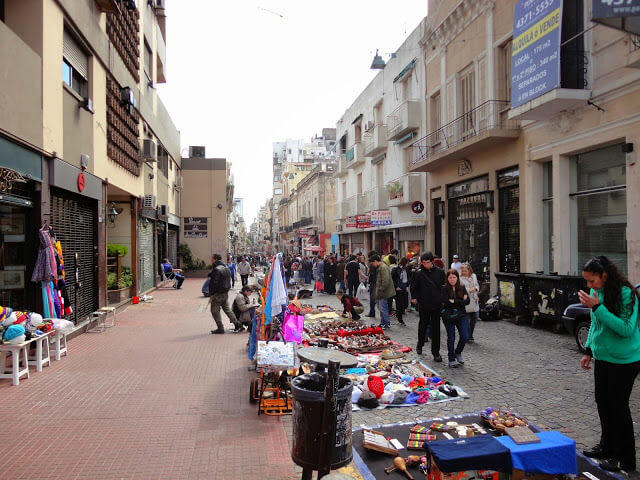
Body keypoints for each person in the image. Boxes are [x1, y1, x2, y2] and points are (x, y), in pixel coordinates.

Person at [579, 256, 640, 472]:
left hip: (624, 361)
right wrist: (589, 350)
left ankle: (627, 459)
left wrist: (598, 307)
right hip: (603, 358)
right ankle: (607, 447)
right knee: (603, 404)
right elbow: (596, 325)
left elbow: (625, 329)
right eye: (586, 281)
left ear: (605, 275)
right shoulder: (598, 292)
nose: (589, 286)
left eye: (592, 280)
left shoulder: (626, 294)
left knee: (618, 408)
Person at [411, 252, 445, 361]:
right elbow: (414, 286)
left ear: (432, 262)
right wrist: (414, 298)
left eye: (427, 263)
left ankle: (436, 352)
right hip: (424, 303)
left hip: (436, 304)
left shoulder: (440, 272)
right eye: (423, 263)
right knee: (423, 325)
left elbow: (443, 287)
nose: (425, 265)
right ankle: (420, 344)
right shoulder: (418, 273)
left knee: (436, 329)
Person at [441, 269, 470, 368]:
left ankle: (458, 352)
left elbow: (467, 302)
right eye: (450, 277)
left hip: (461, 315)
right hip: (448, 316)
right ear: (447, 278)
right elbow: (445, 302)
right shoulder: (444, 288)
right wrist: (460, 301)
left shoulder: (462, 287)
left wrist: (455, 301)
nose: (452, 280)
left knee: (465, 336)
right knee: (451, 337)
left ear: (457, 278)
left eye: (454, 277)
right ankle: (451, 358)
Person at [208, 253, 243, 334]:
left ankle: (220, 328)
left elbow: (214, 283)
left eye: (212, 258)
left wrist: (212, 293)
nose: (211, 260)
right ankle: (237, 323)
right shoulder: (225, 267)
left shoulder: (217, 269)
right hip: (225, 292)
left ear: (215, 259)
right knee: (227, 309)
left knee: (215, 311)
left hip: (218, 293)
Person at [370, 254, 395, 329]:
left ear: (375, 261)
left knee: (383, 308)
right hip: (381, 291)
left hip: (383, 292)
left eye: (372, 263)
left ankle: (387, 323)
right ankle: (383, 323)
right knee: (381, 308)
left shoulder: (383, 267)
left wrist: (380, 289)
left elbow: (385, 280)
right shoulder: (381, 267)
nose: (373, 265)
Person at [459, 262, 480, 342]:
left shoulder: (473, 276)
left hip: (474, 300)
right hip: (466, 301)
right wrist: (469, 290)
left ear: (469, 270)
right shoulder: (460, 278)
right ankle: (467, 335)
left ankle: (470, 334)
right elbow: (460, 289)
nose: (464, 272)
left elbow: (477, 285)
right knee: (466, 320)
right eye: (462, 271)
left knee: (474, 318)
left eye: (465, 271)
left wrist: (476, 289)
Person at [392, 257, 410, 325]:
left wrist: (407, 285)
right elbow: (392, 279)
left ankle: (399, 315)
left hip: (404, 288)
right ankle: (400, 318)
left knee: (405, 304)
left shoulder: (406, 270)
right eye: (407, 263)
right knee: (400, 304)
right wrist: (396, 286)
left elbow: (408, 278)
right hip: (398, 289)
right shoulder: (396, 269)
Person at [366, 251, 378, 318]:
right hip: (376, 282)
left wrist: (369, 280)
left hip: (373, 283)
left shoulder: (372, 264)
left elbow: (372, 274)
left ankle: (372, 312)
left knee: (372, 299)